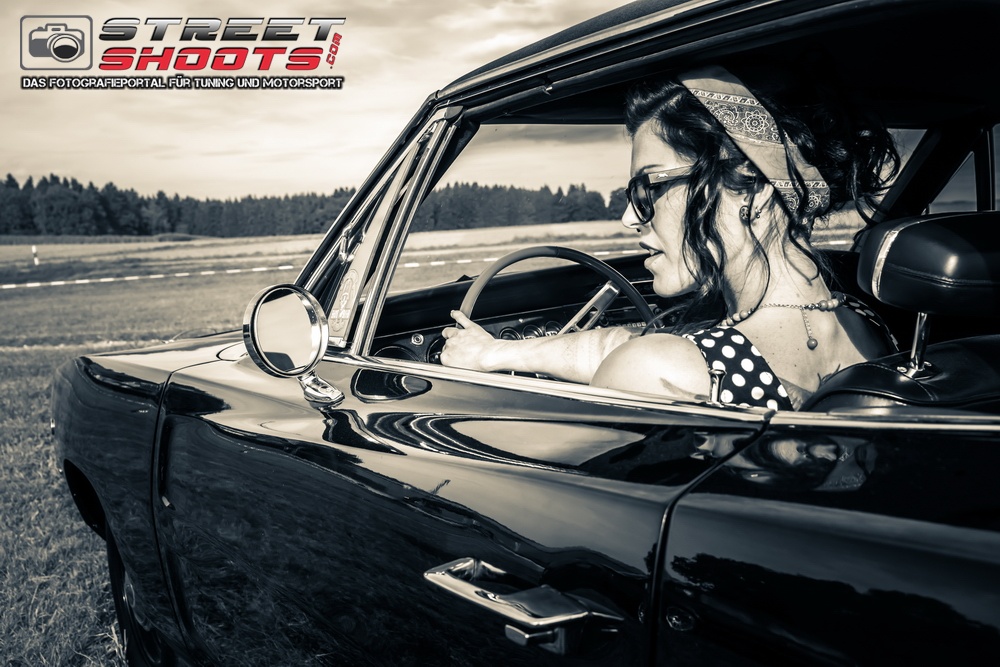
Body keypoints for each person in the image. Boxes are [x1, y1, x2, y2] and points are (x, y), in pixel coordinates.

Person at [439, 64, 900, 410]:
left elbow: (647, 358)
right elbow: (629, 345)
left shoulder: (657, 372)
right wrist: (493, 352)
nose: (629, 217)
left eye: (650, 188)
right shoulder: (866, 320)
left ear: (753, 187)